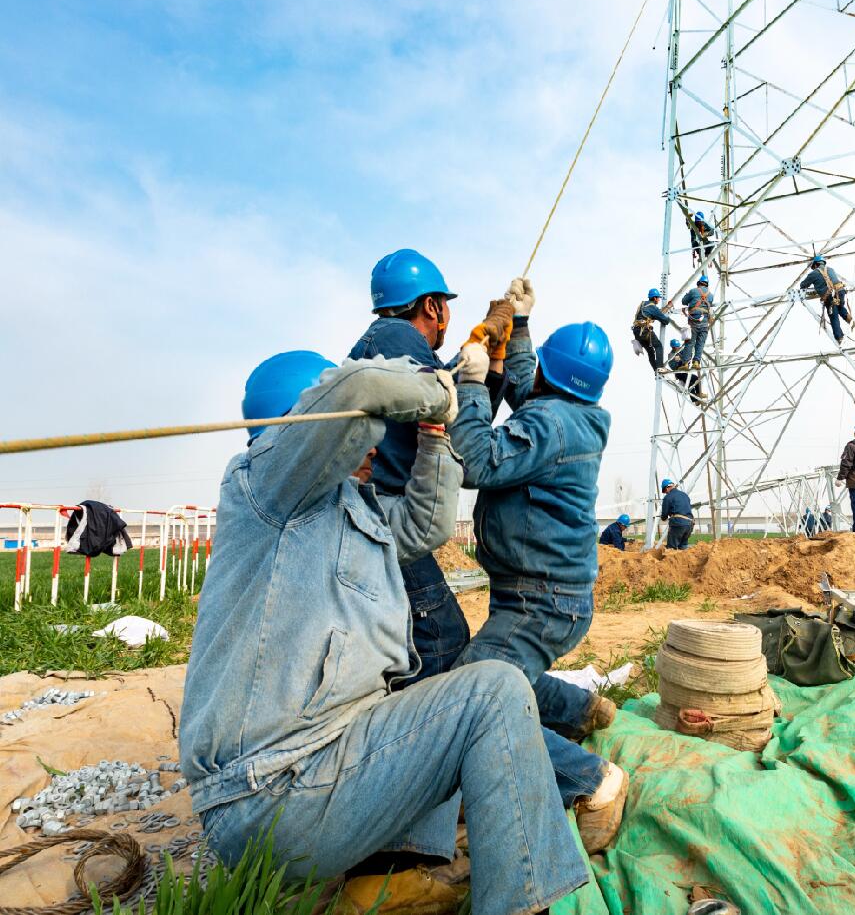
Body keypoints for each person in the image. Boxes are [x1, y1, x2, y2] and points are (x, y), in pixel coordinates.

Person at [179, 351, 587, 914]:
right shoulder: (267, 487)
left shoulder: (353, 512)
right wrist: (446, 390)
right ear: (302, 430)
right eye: (358, 435)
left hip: (310, 781)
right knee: (494, 690)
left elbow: (427, 522)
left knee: (430, 689)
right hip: (270, 793)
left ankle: (390, 879)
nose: (371, 446)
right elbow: (359, 386)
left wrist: (436, 431)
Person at [447, 292, 628, 853]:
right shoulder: (574, 414)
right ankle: (582, 710)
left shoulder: (550, 423)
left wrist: (474, 388)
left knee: (474, 690)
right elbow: (530, 386)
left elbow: (477, 461)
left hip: (540, 601)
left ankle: (591, 779)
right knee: (505, 674)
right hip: (546, 593)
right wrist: (519, 326)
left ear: (554, 371)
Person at [347, 248, 474, 683]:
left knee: (399, 638)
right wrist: (475, 370)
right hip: (384, 518)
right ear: (431, 306)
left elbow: (432, 388)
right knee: (443, 637)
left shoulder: (384, 343)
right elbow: (444, 404)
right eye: (446, 307)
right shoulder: (398, 337)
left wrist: (476, 357)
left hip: (372, 514)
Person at [799, 255, 851, 344]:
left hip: (829, 296)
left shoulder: (813, 274)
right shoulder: (831, 269)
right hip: (840, 291)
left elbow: (803, 285)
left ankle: (840, 338)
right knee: (840, 307)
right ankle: (849, 319)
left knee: (833, 316)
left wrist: (816, 286)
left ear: (815, 265)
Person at [631, 288, 678, 372]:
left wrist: (667, 307)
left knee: (650, 351)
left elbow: (657, 313)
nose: (659, 300)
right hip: (644, 330)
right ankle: (660, 367)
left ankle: (656, 370)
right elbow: (665, 320)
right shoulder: (653, 307)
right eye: (658, 298)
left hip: (637, 332)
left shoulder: (643, 304)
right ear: (655, 298)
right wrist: (668, 317)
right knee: (658, 346)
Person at [680, 276, 713, 369]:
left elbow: (684, 301)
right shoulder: (711, 295)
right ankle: (696, 362)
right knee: (700, 343)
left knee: (690, 342)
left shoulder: (693, 291)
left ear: (699, 283)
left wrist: (690, 296)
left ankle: (685, 363)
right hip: (705, 322)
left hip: (693, 321)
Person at [666, 338, 705, 403]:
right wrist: (679, 363)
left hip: (685, 372)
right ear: (673, 347)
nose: (678, 348)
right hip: (679, 373)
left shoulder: (681, 351)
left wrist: (688, 344)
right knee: (689, 382)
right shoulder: (671, 355)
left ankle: (698, 393)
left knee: (696, 378)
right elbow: (672, 366)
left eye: (678, 347)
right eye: (676, 347)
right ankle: (695, 400)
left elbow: (688, 352)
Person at [660, 479, 694, 549]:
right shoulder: (685, 495)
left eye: (665, 491)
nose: (666, 493)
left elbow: (664, 516)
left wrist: (663, 517)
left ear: (667, 488)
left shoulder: (668, 497)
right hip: (689, 524)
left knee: (671, 549)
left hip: (678, 524)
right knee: (683, 547)